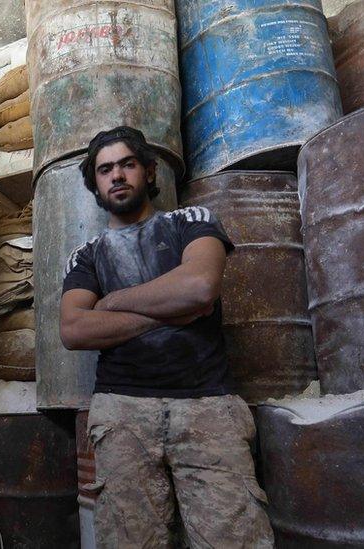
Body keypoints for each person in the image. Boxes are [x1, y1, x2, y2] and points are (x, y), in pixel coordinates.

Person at [59, 126, 274, 547]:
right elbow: (74, 329)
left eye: (127, 164)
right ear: (95, 184)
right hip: (123, 411)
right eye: (105, 170)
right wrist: (172, 312)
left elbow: (198, 287)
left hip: (207, 407)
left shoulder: (190, 222)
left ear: (150, 172)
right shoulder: (87, 255)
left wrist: (112, 302)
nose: (117, 176)